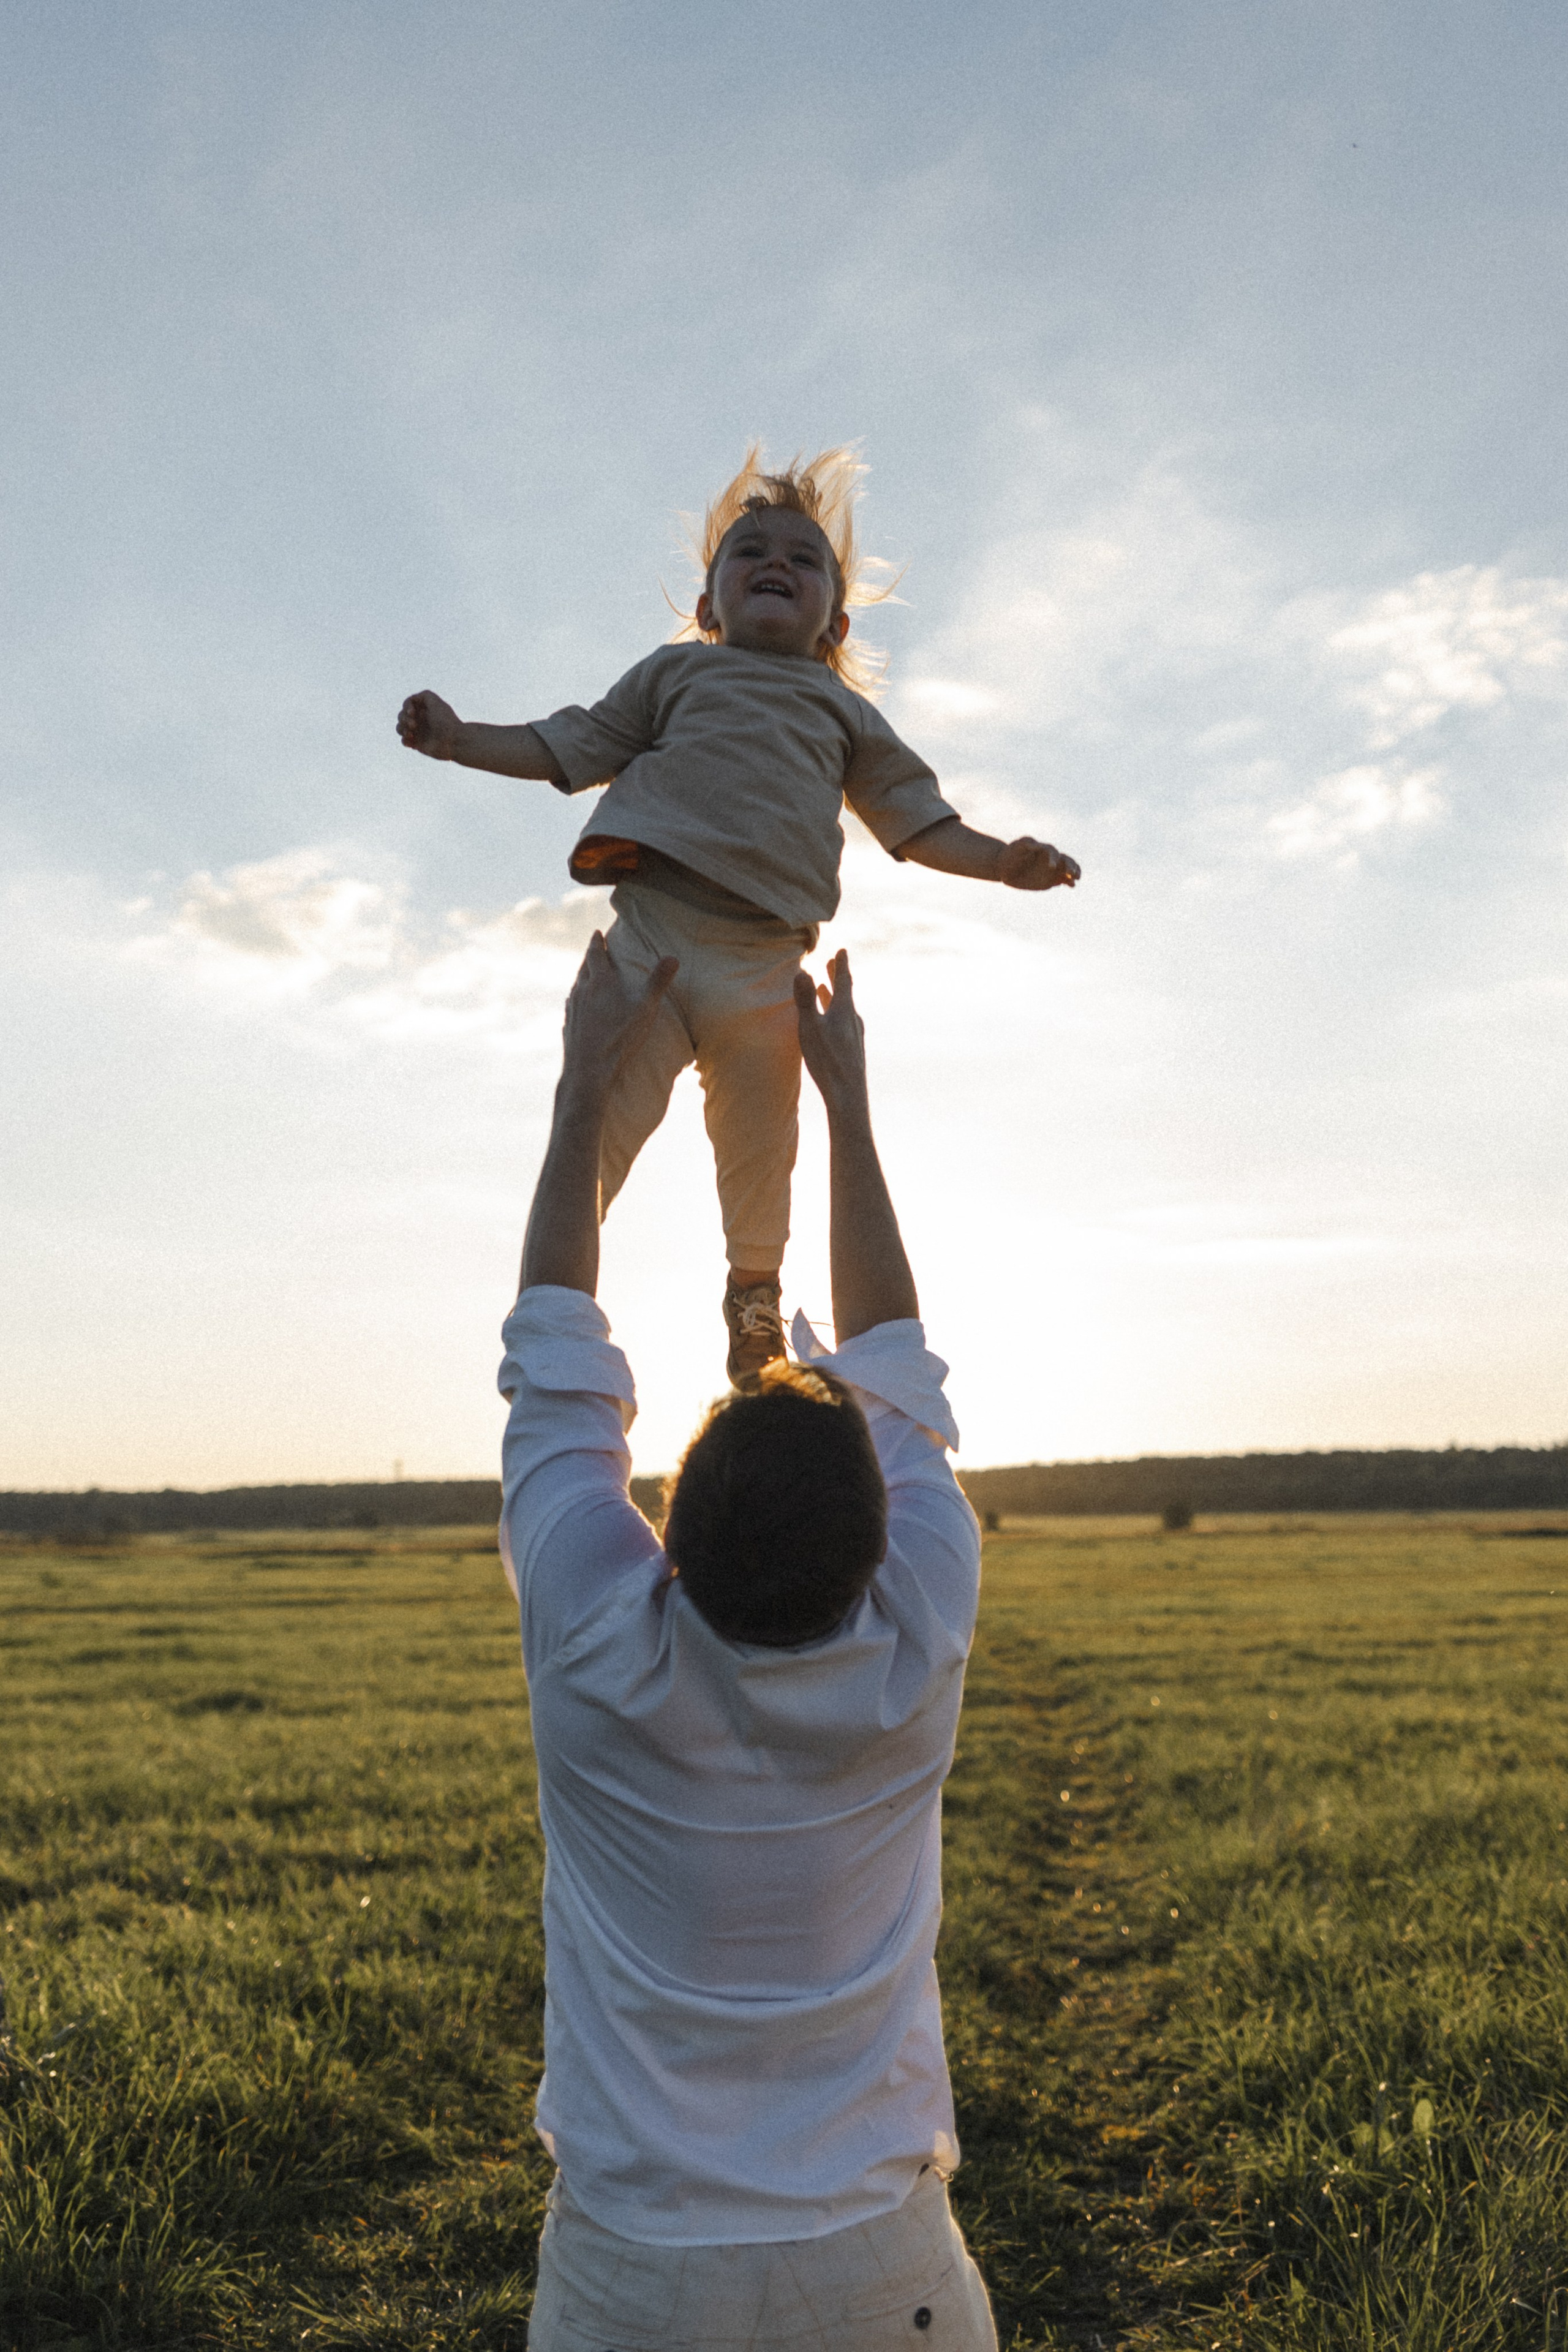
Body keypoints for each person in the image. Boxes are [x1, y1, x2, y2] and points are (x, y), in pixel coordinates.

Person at [499, 936, 997, 2350]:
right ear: (877, 1553)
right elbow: (894, 1360)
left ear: (664, 1527)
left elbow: (551, 1342)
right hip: (881, 2269)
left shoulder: (596, 1633)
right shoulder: (918, 1637)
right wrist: (843, 1102)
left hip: (631, 2279)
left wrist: (586, 1077)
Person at [402, 445, 1078, 1381]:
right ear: (708, 608)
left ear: (834, 624)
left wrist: (1004, 863)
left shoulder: (844, 714)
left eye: (804, 561)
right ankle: (556, 1292)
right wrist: (460, 740)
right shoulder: (676, 676)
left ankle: (753, 1295)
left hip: (765, 966)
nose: (777, 563)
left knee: (764, 1148)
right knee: (590, 1130)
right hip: (653, 942)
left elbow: (918, 823)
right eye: (749, 552)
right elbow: (574, 741)